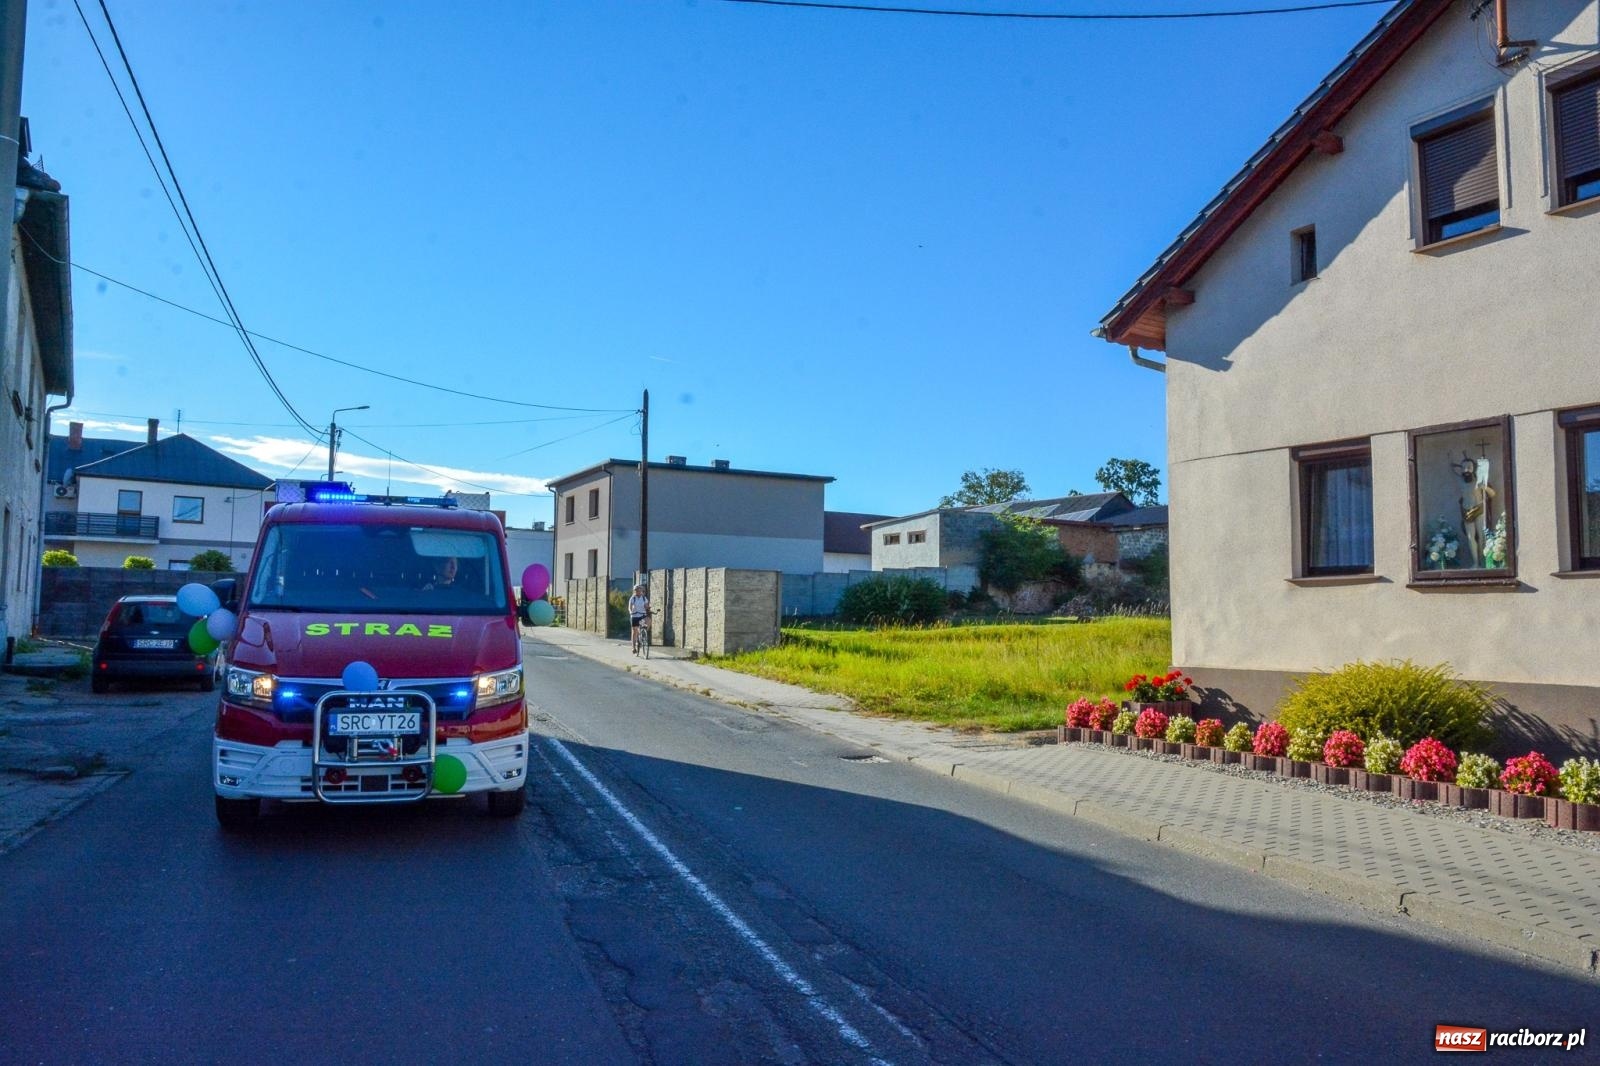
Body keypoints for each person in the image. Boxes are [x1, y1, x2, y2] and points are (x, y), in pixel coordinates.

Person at [628, 583, 650, 654]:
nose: (638, 591)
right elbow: (629, 607)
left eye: (639, 590)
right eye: (636, 590)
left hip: (642, 615)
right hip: (634, 616)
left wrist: (648, 608)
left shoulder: (644, 598)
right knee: (634, 631)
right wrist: (631, 612)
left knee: (648, 620)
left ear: (641, 591)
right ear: (634, 591)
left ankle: (643, 633)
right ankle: (633, 647)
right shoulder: (632, 598)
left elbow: (646, 606)